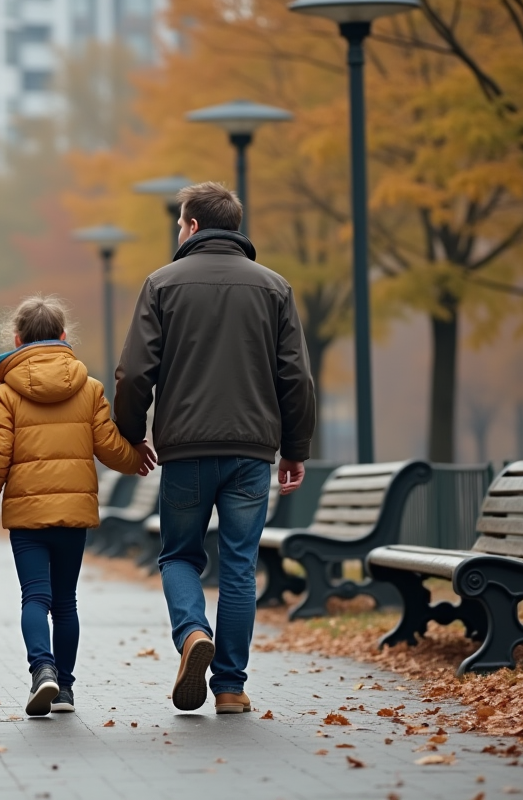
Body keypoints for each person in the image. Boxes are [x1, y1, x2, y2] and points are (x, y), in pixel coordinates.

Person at [114, 181, 316, 715]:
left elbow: (135, 373)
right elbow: (295, 376)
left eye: (179, 223)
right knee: (239, 565)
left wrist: (131, 434)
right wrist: (296, 447)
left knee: (179, 553)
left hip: (185, 449)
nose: (178, 232)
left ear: (194, 226)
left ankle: (191, 633)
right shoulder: (274, 287)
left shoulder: (162, 284)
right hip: (252, 452)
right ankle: (230, 687)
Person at [0, 296, 156, 717]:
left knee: (35, 596)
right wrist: (137, 456)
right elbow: (108, 447)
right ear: (65, 337)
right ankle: (65, 690)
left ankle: (43, 670)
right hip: (73, 515)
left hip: (28, 517)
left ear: (16, 340)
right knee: (66, 600)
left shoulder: (5, 394)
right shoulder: (89, 389)